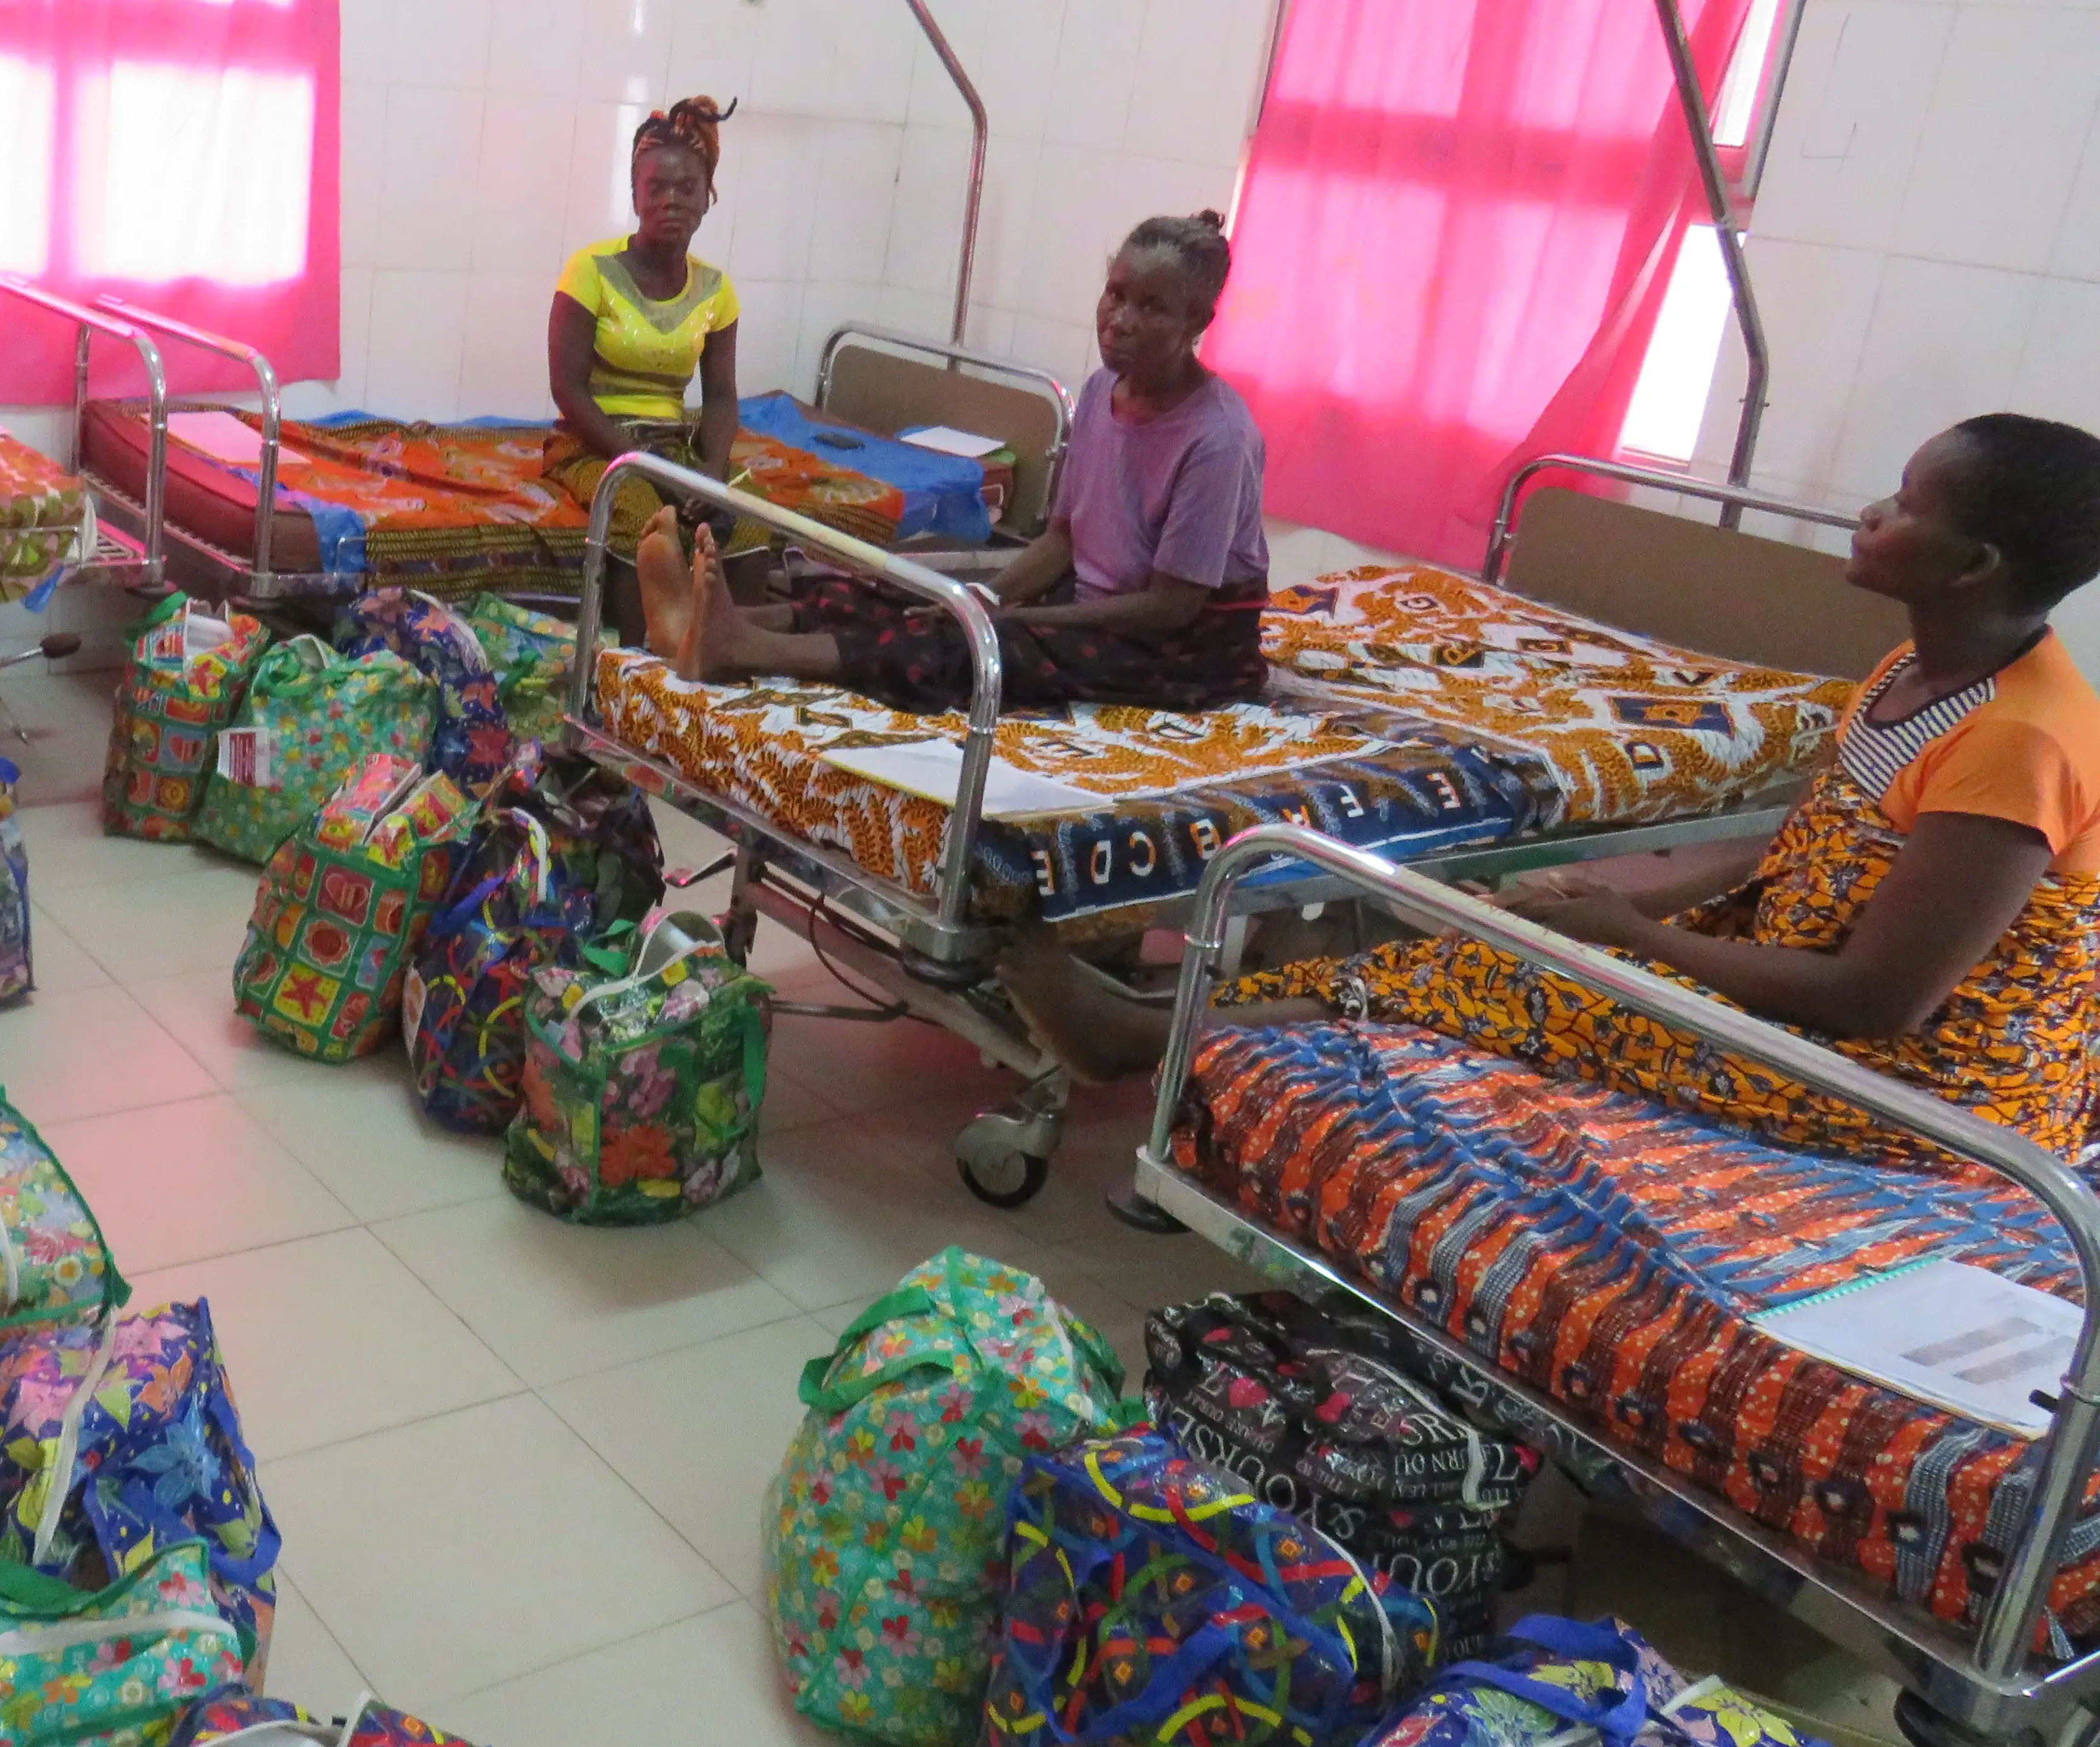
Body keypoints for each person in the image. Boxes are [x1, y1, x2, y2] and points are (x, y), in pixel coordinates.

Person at [1007, 414, 2100, 1180]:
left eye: (1904, 505)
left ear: (1973, 564)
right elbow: (1798, 854)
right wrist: (1627, 905)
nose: (1867, 513)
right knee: (1489, 943)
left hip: (1918, 1083)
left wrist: (1625, 931)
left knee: (1519, 978)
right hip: (1823, 1001)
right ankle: (1151, 1027)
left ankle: (1138, 1033)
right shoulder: (1913, 673)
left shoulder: (2018, 740)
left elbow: (1876, 1000)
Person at [641, 210, 1269, 715]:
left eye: (1152, 308)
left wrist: (1027, 616)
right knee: (913, 598)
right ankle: (702, 621)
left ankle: (742, 648)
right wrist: (982, 594)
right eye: (1116, 294)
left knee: (967, 645)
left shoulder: (1216, 439)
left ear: (1198, 321)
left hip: (1181, 652)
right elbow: (1064, 537)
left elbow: (1171, 608)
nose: (1120, 321)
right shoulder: (1103, 392)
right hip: (1098, 609)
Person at [545, 96, 766, 553]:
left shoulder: (716, 291)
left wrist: (713, 470)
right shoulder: (591, 271)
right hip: (596, 440)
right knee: (650, 522)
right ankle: (644, 630)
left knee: (751, 519)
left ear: (707, 196)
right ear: (635, 196)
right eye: (657, 188)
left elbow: (722, 396)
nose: (672, 202)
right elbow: (567, 388)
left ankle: (723, 627)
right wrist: (642, 462)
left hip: (672, 440)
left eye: (687, 188)